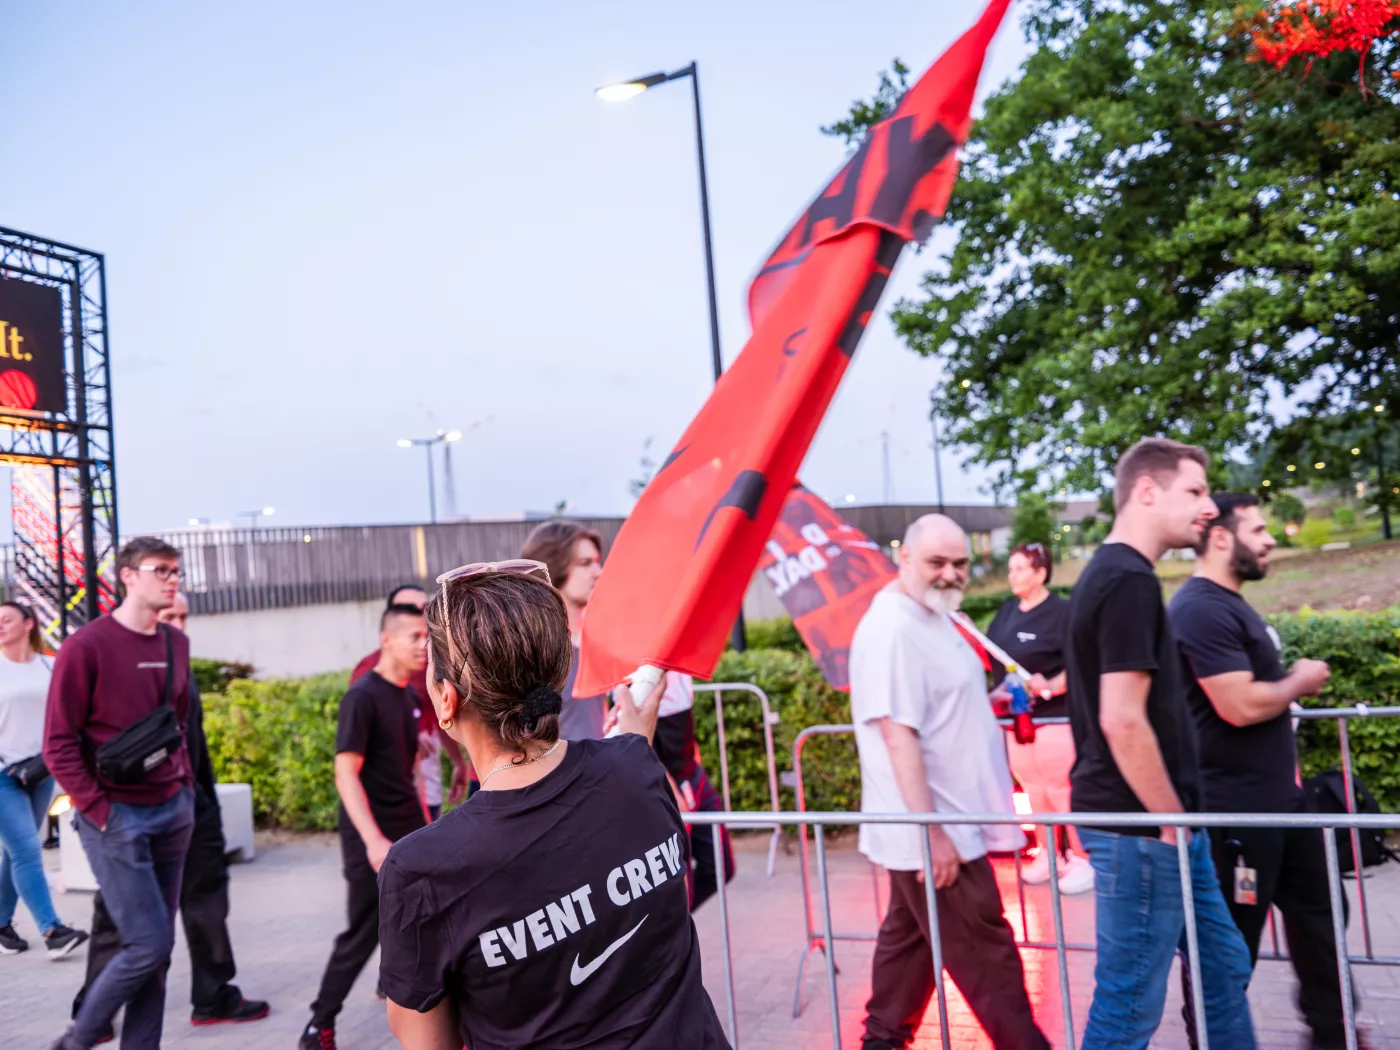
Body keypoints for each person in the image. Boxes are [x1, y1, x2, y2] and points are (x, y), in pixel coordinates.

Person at [377, 560, 731, 1049]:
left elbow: (427, 1040)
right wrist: (633, 745)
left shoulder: (422, 869)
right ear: (559, 671)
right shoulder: (636, 766)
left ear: (446, 700)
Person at [1066, 438, 1255, 1050]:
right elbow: (1121, 719)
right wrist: (1170, 821)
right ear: (1147, 491)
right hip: (1144, 828)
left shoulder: (1122, 575)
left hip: (1160, 824)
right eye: (1194, 491)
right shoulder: (1126, 580)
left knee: (1223, 963)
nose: (1209, 507)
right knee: (1127, 1007)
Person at [850, 514, 1050, 1050]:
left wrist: (990, 704)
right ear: (904, 558)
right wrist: (932, 834)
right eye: (936, 562)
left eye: (960, 563)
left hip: (944, 830)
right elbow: (898, 736)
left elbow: (937, 707)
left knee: (906, 962)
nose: (950, 573)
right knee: (993, 970)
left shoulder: (934, 616)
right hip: (941, 838)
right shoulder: (893, 629)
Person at [1170, 492, 1360, 1050]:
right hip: (1236, 816)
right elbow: (1238, 705)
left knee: (1323, 918)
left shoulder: (1228, 603)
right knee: (1230, 946)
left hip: (1283, 806)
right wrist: (1298, 682)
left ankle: (1336, 1034)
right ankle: (1215, 1039)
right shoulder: (1199, 609)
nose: (1270, 538)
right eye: (1257, 529)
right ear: (1220, 537)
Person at [73, 593, 269, 1042]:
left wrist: (200, 800)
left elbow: (190, 739)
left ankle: (213, 995)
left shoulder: (176, 659)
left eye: (183, 615)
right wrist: (100, 810)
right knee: (118, 916)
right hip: (130, 809)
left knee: (207, 898)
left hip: (190, 801)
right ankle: (92, 1011)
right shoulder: (116, 662)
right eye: (168, 615)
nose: (178, 623)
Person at [45, 537, 197, 1050]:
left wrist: (185, 790)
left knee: (158, 952)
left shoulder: (176, 643)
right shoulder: (85, 647)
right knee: (147, 944)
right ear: (128, 575)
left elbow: (178, 725)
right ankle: (78, 1038)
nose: (172, 579)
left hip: (172, 809)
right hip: (115, 817)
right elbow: (58, 743)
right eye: (161, 570)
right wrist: (101, 811)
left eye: (176, 571)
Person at [299, 603, 430, 1050]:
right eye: (414, 636)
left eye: (426, 637)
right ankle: (318, 1024)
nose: (424, 646)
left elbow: (410, 772)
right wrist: (373, 840)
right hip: (370, 839)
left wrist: (426, 827)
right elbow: (345, 773)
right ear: (386, 640)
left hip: (408, 831)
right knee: (363, 931)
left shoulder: (409, 698)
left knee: (424, 920)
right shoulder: (362, 696)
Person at [986, 543, 1094, 895]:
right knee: (1032, 788)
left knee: (1061, 788)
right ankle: (1049, 854)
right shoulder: (1006, 612)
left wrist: (1052, 684)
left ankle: (1082, 857)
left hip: (1055, 718)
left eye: (1020, 569)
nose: (1012, 575)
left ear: (1040, 573)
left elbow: (1082, 660)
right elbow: (992, 658)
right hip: (1017, 719)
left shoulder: (1062, 612)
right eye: (1011, 568)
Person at [0, 602, 87, 958]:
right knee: (26, 850)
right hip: (2, 775)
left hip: (40, 771)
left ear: (28, 624)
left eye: (6, 619)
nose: (0, 625)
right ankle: (53, 931)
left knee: (15, 854)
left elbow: (67, 715)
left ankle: (1, 924)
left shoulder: (50, 666)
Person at [350, 585, 470, 819]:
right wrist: (406, 734)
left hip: (425, 778)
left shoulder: (432, 664)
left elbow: (440, 715)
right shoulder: (367, 672)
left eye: (424, 607)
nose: (419, 615)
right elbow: (356, 736)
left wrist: (458, 761)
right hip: (385, 790)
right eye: (409, 608)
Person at [653, 671, 735, 910]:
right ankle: (675, 926)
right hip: (664, 783)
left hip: (691, 773)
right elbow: (634, 737)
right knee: (681, 883)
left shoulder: (682, 667)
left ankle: (675, 925)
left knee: (721, 867)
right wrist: (669, 789)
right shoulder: (633, 671)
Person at [521, 520, 607, 740]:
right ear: (553, 566)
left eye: (597, 562)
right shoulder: (534, 651)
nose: (598, 572)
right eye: (585, 563)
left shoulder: (588, 640)